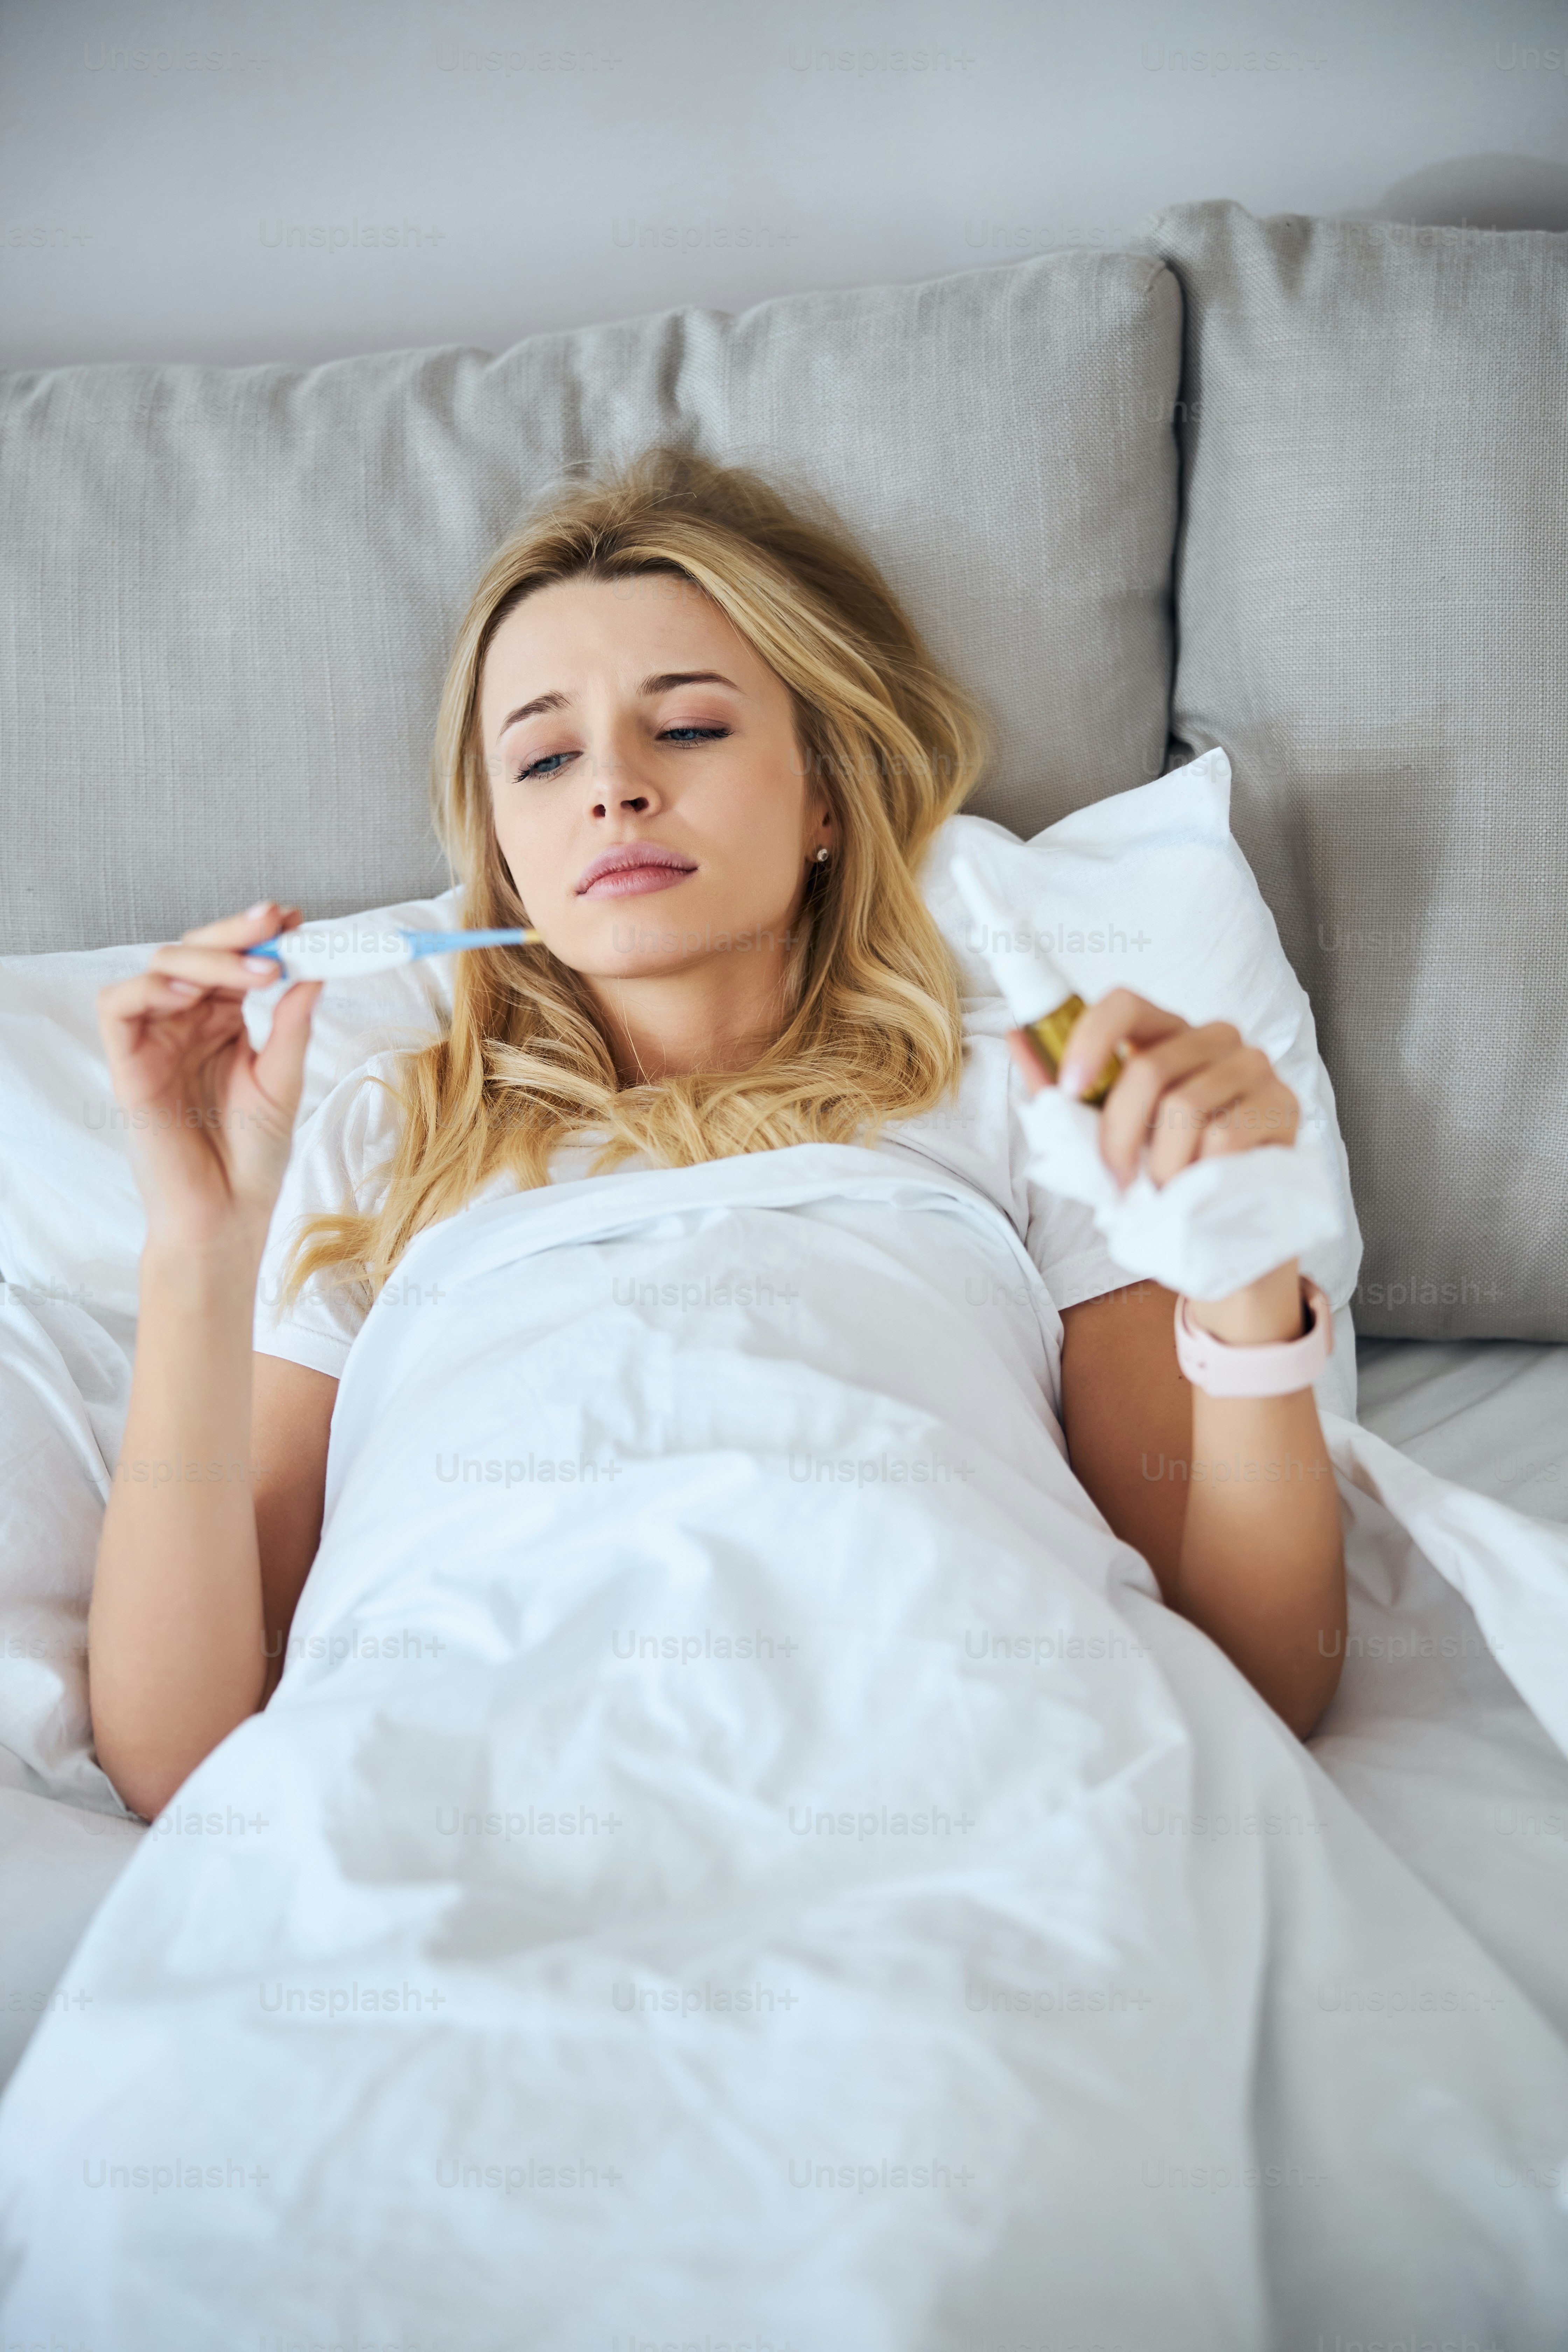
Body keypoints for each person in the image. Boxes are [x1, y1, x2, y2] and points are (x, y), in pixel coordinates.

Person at [87, 449, 1345, 1824]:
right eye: (547, 756)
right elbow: (179, 1757)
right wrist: (197, 1247)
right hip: (454, 1804)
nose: (612, 788)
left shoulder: (1025, 1092)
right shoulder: (381, 1145)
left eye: (685, 729)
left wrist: (1246, 1278)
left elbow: (1256, 1681)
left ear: (822, 797)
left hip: (961, 1764)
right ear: (503, 855)